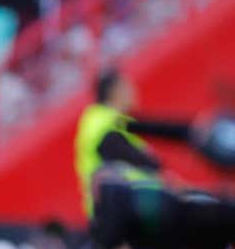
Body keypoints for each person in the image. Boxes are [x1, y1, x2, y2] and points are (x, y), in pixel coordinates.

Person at [74, 69, 195, 216]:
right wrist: (165, 177)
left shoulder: (103, 119)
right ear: (116, 91)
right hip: (120, 212)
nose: (134, 91)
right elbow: (130, 156)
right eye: (128, 86)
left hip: (119, 210)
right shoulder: (103, 123)